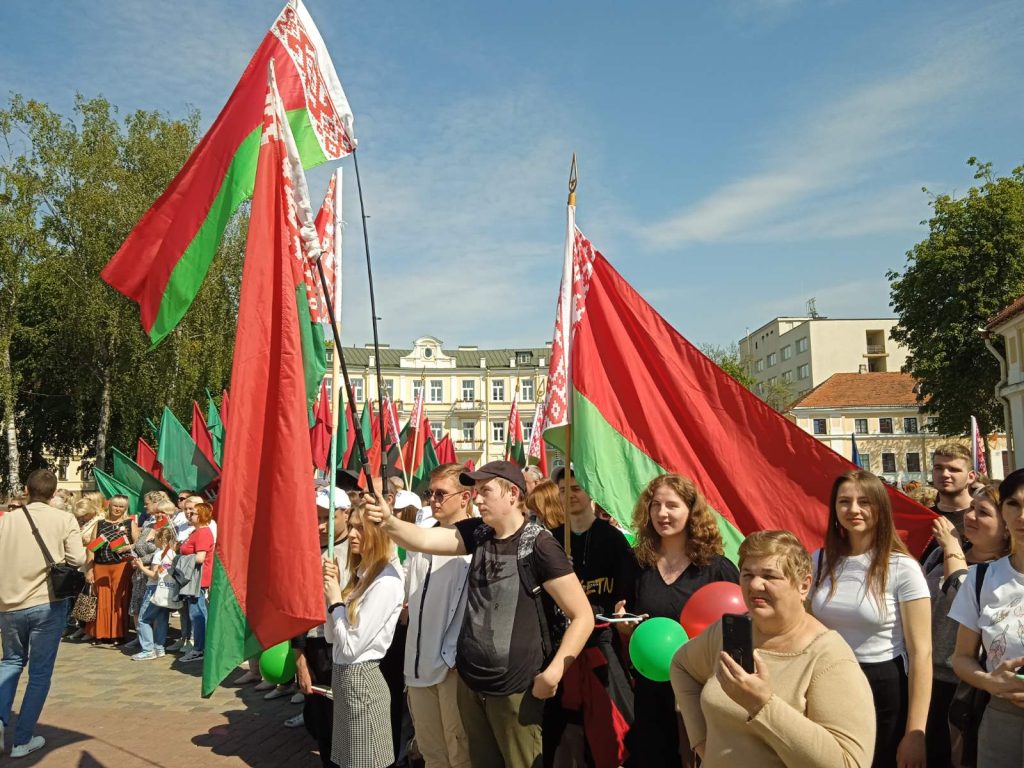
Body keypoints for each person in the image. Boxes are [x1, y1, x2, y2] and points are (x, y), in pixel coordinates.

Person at [364, 460, 594, 768]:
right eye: (476, 492)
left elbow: (582, 616)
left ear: (513, 494)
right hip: (471, 686)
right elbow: (423, 539)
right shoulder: (480, 533)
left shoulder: (539, 545)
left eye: (485, 491)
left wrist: (554, 673)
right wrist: (388, 522)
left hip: (516, 690)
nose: (478, 499)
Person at [670, 530, 876, 767]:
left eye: (770, 576)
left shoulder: (828, 658)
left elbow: (848, 763)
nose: (756, 584)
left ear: (803, 585)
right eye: (747, 574)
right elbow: (681, 666)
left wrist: (763, 705)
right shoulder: (727, 633)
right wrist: (702, 741)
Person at [614, 473, 739, 768]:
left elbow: (739, 631)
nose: (661, 513)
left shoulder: (716, 567)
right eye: (655, 505)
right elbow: (625, 619)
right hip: (651, 690)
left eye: (672, 505)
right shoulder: (636, 564)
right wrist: (623, 626)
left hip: (703, 691)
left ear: (691, 511)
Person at [810, 470, 931, 768]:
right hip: (828, 682)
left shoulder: (903, 568)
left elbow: (921, 655)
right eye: (844, 501)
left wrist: (916, 733)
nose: (853, 510)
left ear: (880, 508)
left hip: (883, 687)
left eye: (864, 502)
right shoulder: (819, 560)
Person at [548, 467, 636, 768]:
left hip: (603, 645)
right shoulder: (552, 541)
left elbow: (624, 592)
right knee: (565, 730)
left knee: (611, 729)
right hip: (563, 646)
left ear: (590, 494)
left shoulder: (612, 539)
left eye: (576, 488)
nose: (570, 495)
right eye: (563, 490)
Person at [0, 469, 87, 758]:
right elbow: (77, 559)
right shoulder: (64, 519)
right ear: (53, 493)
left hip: (9, 603)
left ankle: (1, 721)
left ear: (26, 489)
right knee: (39, 673)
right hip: (47, 601)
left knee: (10, 662)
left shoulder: (7, 519)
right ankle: (22, 739)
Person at [922, 483, 1009, 767]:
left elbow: (962, 598)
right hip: (925, 675)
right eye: (971, 507)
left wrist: (951, 548)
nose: (970, 516)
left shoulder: (1003, 575)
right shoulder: (937, 555)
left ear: (1006, 528)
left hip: (966, 686)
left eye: (982, 513)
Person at [949, 468, 1024, 766]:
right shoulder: (981, 579)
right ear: (1003, 511)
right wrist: (988, 681)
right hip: (1002, 720)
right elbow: (961, 657)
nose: (1022, 516)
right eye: (1014, 504)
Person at [322, 505, 404, 768]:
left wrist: (336, 601)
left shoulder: (386, 582)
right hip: (345, 680)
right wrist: (331, 597)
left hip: (362, 683)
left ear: (378, 533)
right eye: (352, 526)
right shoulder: (363, 576)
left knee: (366, 763)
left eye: (361, 527)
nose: (353, 534)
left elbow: (351, 647)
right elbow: (332, 637)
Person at [404, 464, 474, 768]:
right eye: (429, 493)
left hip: (452, 667)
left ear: (464, 497)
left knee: (459, 751)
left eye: (441, 493)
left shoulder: (476, 543)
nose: (432, 499)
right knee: (431, 751)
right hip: (417, 663)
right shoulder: (421, 541)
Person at [290, 487, 351, 765]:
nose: (320, 525)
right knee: (321, 724)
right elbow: (298, 610)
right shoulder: (306, 552)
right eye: (315, 517)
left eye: (327, 516)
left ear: (346, 513)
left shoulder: (361, 549)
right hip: (317, 646)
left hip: (351, 649)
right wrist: (300, 659)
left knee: (350, 729)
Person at [84, 494, 139, 643]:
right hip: (101, 566)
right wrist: (89, 569)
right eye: (115, 505)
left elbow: (139, 545)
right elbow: (91, 548)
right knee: (101, 600)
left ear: (125, 508)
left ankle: (117, 634)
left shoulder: (130, 523)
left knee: (119, 601)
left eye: (122, 507)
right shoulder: (100, 524)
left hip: (122, 566)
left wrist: (126, 547)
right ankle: (100, 634)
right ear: (109, 505)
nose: (118, 509)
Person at [922, 444, 978, 563]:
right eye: (939, 468)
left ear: (971, 477)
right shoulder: (921, 518)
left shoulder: (983, 517)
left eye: (954, 469)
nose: (945, 474)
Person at [132, 525, 178, 661]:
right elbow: (162, 572)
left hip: (155, 589)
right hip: (166, 590)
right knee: (161, 619)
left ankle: (147, 649)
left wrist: (140, 567)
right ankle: (159, 647)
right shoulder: (172, 554)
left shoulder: (159, 554)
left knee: (143, 619)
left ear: (159, 539)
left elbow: (154, 575)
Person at [178, 501, 215, 664]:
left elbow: (200, 557)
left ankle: (200, 648)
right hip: (192, 577)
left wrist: (181, 560)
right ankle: (202, 646)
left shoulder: (203, 532)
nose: (189, 514)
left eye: (193, 512)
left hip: (197, 578)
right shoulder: (196, 532)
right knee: (197, 612)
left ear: (201, 515)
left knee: (197, 613)